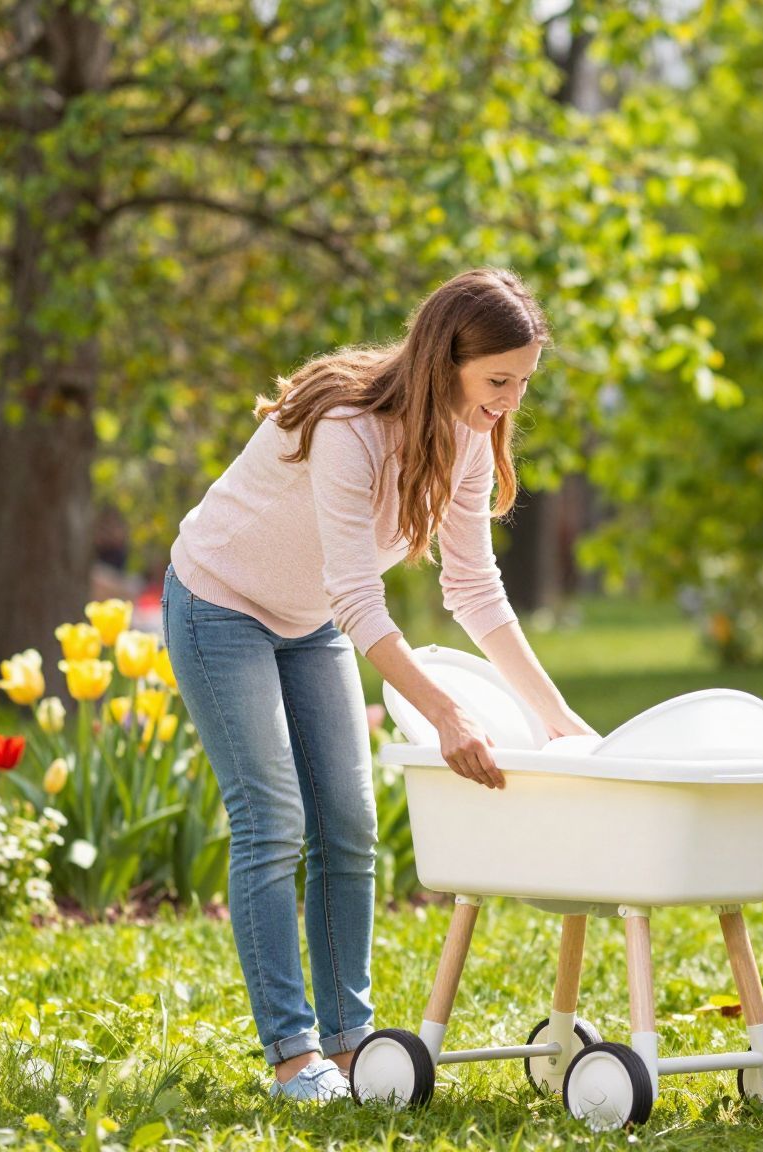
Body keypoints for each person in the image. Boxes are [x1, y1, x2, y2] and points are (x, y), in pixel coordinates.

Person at [162, 268, 595, 1101]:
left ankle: (353, 1044)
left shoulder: (469, 437)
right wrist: (446, 714)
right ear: (444, 361)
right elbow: (358, 596)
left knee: (351, 823)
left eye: (523, 383)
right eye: (497, 381)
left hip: (308, 620)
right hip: (219, 603)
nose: (510, 402)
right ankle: (294, 1056)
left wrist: (557, 714)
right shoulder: (348, 427)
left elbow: (473, 587)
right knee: (271, 819)